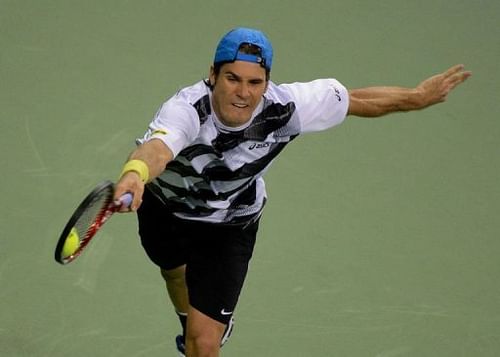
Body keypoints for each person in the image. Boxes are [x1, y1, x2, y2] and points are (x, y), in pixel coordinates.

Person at [114, 27, 471, 357]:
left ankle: (198, 331)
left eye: (255, 82)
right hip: (164, 208)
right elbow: (157, 149)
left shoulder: (287, 107)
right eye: (232, 78)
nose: (243, 92)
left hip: (230, 222)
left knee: (202, 344)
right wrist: (135, 173)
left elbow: (356, 100)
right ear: (213, 75)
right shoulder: (187, 109)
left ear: (267, 84)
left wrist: (417, 97)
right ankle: (186, 317)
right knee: (174, 272)